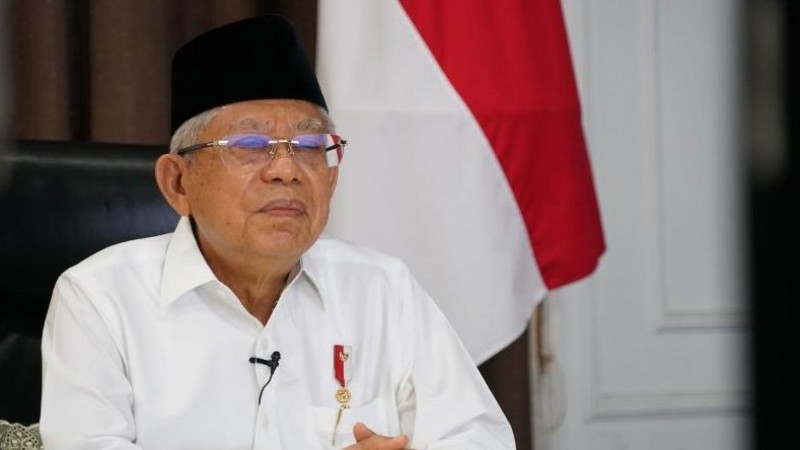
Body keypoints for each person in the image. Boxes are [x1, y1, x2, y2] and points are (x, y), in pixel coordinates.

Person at [39, 15, 514, 449]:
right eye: (249, 145)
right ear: (178, 183)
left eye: (309, 145)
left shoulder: (382, 288)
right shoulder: (101, 298)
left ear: (332, 178)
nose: (286, 169)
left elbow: (478, 437)